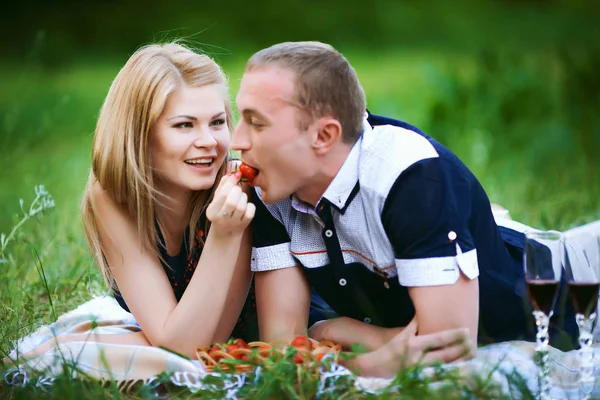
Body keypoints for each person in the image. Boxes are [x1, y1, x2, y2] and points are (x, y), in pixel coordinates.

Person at [231, 41, 578, 378]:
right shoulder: (272, 188)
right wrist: (371, 343)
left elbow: (447, 351)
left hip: (547, 324)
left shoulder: (411, 177)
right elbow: (284, 349)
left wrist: (338, 342)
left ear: (324, 136)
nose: (237, 141)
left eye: (256, 123)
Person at [20, 42, 259, 360]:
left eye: (216, 122)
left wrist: (224, 234)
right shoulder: (113, 196)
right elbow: (171, 338)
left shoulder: (237, 190)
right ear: (138, 134)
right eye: (184, 125)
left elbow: (198, 348)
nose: (209, 142)